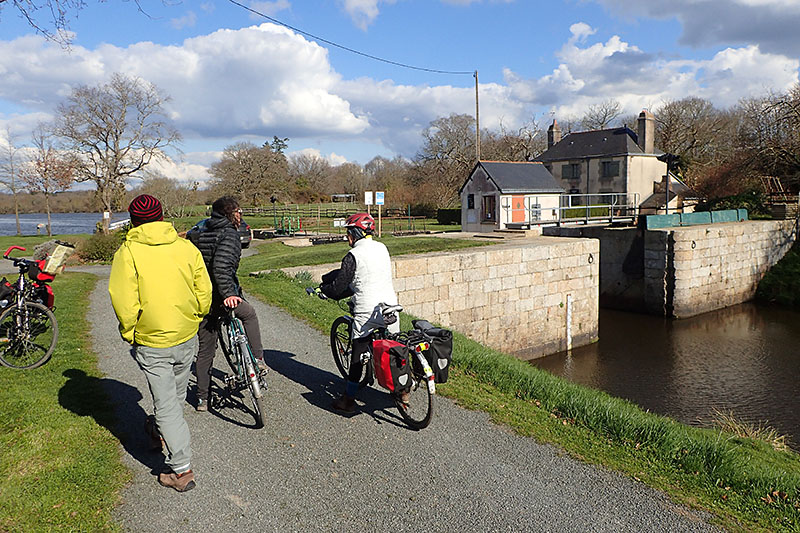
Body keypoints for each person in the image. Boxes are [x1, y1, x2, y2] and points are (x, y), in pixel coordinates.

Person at [109, 194, 212, 493]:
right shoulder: (185, 247)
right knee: (174, 397)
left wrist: (130, 331)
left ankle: (181, 470)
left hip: (153, 340)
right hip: (184, 334)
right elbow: (203, 290)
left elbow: (124, 301)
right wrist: (196, 315)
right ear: (161, 216)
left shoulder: (128, 252)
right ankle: (158, 431)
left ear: (133, 220)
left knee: (168, 403)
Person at [189, 196, 266, 412]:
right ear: (229, 213)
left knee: (206, 349)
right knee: (249, 314)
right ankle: (258, 358)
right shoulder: (229, 234)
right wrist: (228, 294)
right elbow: (221, 267)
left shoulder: (201, 231)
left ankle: (202, 399)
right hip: (222, 296)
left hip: (202, 296)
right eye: (238, 211)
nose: (241, 215)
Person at [320, 212, 399, 414]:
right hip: (390, 305)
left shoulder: (353, 255)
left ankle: (348, 399)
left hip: (367, 310)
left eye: (348, 233)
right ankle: (402, 392)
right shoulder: (382, 248)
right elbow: (367, 276)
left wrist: (325, 290)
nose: (347, 237)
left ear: (355, 233)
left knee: (357, 354)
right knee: (395, 349)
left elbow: (339, 287)